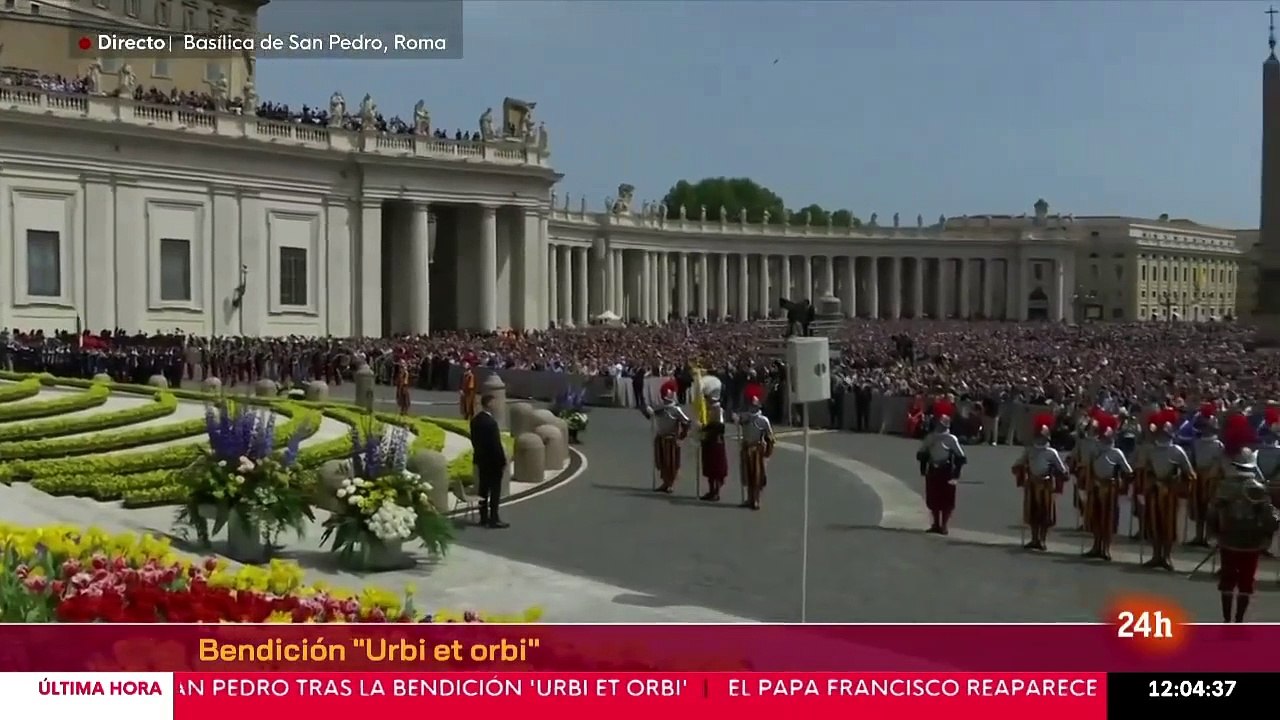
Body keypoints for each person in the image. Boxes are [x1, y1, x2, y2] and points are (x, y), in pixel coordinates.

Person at [1211, 413, 1280, 622]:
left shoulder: (1225, 486)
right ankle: (1238, 621)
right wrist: (1272, 527)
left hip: (1228, 539)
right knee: (1246, 581)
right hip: (1251, 542)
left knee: (1228, 579)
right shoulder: (1258, 488)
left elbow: (1212, 514)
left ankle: (1226, 620)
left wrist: (1215, 532)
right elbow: (1269, 518)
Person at [1136, 408, 1194, 570]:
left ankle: (1166, 556)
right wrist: (1147, 483)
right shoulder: (1149, 450)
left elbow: (1189, 473)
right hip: (1154, 490)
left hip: (1170, 492)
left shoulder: (1177, 451)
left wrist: (1177, 482)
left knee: (1168, 525)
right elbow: (1143, 469)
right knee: (1154, 524)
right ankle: (1156, 555)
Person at [1012, 412, 1067, 551]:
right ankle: (1034, 538)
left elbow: (1062, 469)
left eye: (1042, 437)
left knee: (1045, 514)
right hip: (1032, 484)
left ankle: (1042, 540)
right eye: (1038, 436)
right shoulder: (1029, 450)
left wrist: (1059, 472)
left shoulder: (1052, 452)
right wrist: (1018, 468)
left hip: (1046, 485)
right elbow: (1020, 462)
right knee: (1032, 513)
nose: (1040, 439)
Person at [1084, 411, 1132, 560]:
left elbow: (1128, 471)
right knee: (1096, 518)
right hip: (1096, 486)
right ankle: (1095, 546)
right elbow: (1088, 466)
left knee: (1108, 519)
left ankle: (1106, 548)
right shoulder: (1093, 449)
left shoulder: (1117, 453)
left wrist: (1122, 482)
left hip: (1110, 488)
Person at [916, 405, 965, 534]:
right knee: (933, 498)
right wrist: (923, 464)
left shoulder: (951, 439)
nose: (939, 426)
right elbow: (921, 453)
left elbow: (960, 456)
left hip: (947, 469)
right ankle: (936, 523)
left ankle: (944, 525)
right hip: (933, 468)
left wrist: (956, 473)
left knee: (947, 499)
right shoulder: (930, 438)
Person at [643, 378, 690, 494]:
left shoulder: (676, 409)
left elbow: (686, 422)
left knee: (671, 463)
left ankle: (670, 484)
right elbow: (648, 413)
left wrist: (682, 436)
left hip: (671, 439)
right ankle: (664, 482)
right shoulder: (659, 407)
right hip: (660, 437)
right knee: (662, 461)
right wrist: (647, 410)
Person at [469, 394, 508, 529]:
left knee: (483, 490)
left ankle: (483, 517)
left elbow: (474, 440)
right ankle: (494, 518)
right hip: (493, 462)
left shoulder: (475, 420)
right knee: (495, 491)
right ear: (489, 404)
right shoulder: (491, 423)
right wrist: (502, 461)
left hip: (481, 460)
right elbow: (495, 445)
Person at [1189, 403, 1224, 547]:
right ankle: (1198, 536)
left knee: (1211, 509)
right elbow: (1192, 460)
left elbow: (1220, 462)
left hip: (1213, 478)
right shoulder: (1196, 443)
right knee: (1198, 507)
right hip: (1198, 476)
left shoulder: (1218, 445)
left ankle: (1209, 538)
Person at [737, 385, 776, 511]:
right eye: (750, 405)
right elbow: (739, 421)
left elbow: (770, 437)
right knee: (747, 475)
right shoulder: (745, 417)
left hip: (757, 450)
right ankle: (749, 498)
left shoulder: (763, 420)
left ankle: (756, 500)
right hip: (746, 448)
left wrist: (767, 452)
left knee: (757, 476)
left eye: (754, 406)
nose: (752, 408)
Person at [698, 374, 729, 502]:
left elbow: (720, 427)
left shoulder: (718, 410)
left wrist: (705, 428)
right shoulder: (707, 410)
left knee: (716, 469)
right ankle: (711, 490)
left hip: (716, 441)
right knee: (709, 468)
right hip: (708, 441)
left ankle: (716, 491)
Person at [393, 350, 411, 416]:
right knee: (400, 400)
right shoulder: (400, 372)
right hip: (400, 387)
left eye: (402, 364)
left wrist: (401, 387)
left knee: (404, 400)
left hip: (403, 387)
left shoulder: (405, 372)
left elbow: (404, 381)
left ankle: (405, 412)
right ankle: (402, 411)